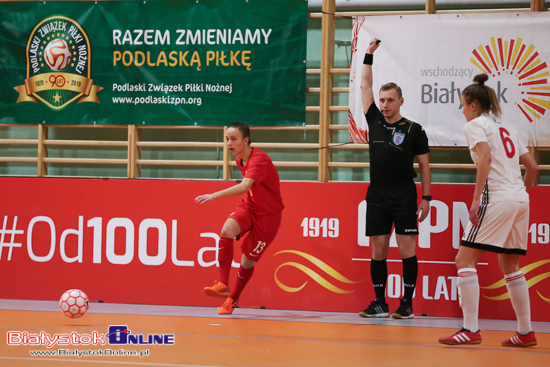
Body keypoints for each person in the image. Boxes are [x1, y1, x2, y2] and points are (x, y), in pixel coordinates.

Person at [438, 74, 539, 347]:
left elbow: (485, 157)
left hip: (496, 198)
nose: (462, 111)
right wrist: (521, 193)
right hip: (519, 200)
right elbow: (533, 167)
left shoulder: (475, 126)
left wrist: (475, 199)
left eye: (462, 105)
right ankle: (526, 331)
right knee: (510, 265)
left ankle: (470, 329)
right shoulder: (508, 129)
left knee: (464, 260)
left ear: (472, 105)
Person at [358, 38, 431, 319]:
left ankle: (407, 303)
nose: (385, 104)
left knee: (406, 248)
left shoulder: (414, 129)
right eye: (382, 100)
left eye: (390, 100)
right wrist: (368, 54)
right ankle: (379, 302)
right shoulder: (374, 120)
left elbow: (424, 165)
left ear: (401, 101)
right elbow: (365, 86)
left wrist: (426, 197)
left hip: (403, 194)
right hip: (376, 194)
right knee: (378, 248)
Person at [195, 121, 284, 315]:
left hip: (268, 217)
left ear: (246, 141)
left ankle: (233, 299)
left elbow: (244, 186)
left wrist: (213, 195)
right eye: (227, 139)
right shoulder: (239, 160)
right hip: (250, 206)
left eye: (233, 139)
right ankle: (222, 284)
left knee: (246, 262)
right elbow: (248, 190)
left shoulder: (259, 159)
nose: (229, 143)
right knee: (226, 230)